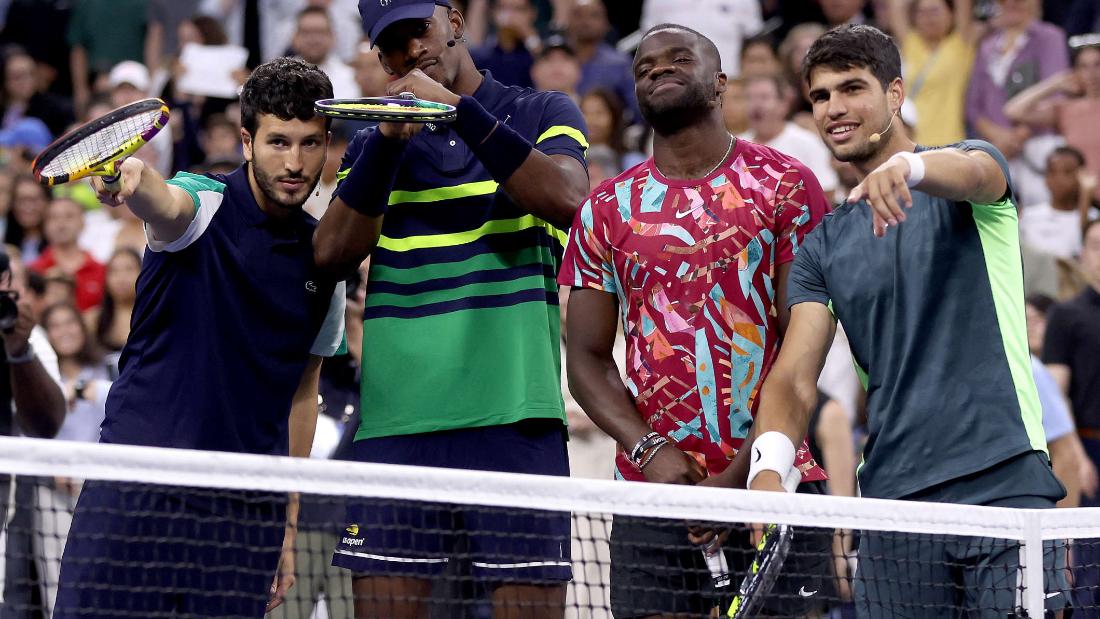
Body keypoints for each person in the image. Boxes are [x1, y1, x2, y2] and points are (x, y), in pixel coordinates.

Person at [724, 24, 1069, 617]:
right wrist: (768, 471)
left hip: (1005, 482)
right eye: (820, 96)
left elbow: (977, 173)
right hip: (892, 504)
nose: (834, 108)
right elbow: (794, 377)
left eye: (851, 88)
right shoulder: (821, 247)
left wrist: (909, 167)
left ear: (895, 93)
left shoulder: (972, 173)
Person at [314, 0, 589, 616]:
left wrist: (457, 111)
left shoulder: (542, 111)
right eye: (391, 45)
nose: (409, 51)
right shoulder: (371, 144)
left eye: (419, 30)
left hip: (515, 417)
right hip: (398, 425)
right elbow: (330, 255)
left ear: (456, 23)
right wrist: (387, 142)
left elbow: (571, 202)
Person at [53, 56, 347, 618]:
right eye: (278, 142)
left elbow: (302, 393)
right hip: (138, 493)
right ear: (246, 141)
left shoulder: (325, 258)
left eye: (309, 144)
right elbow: (164, 202)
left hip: (243, 519)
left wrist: (287, 524)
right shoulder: (203, 203)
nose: (294, 162)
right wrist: (130, 180)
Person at [560, 23, 832, 619]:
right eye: (643, 67)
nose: (657, 69)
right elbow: (584, 356)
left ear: (720, 83)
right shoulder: (605, 209)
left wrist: (741, 474)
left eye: (678, 59)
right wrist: (648, 448)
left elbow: (802, 341)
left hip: (776, 476)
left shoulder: (787, 183)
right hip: (656, 492)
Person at [1042, 218, 1100, 613]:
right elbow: (1055, 391)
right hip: (1089, 445)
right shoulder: (1066, 314)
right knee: (1088, 559)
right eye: (1096, 245)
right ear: (1082, 255)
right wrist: (1076, 455)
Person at [965, 0, 1069, 208]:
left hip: (1036, 146)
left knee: (1038, 212)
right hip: (993, 148)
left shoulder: (1049, 37)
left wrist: (1016, 137)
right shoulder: (987, 44)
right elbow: (972, 106)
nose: (1011, 3)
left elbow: (1056, 99)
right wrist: (998, 139)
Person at [1004, 36, 1100, 196]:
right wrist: (1055, 83)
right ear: (1076, 72)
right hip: (1081, 202)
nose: (1092, 73)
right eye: (1083, 67)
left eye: (1098, 65)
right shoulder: (1066, 109)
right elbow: (1013, 110)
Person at [887, 0, 978, 146]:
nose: (928, 18)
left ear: (951, 14)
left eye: (935, 11)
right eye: (921, 12)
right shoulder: (911, 44)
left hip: (951, 141)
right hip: (912, 142)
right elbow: (896, 6)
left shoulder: (960, 43)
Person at [739, 73, 840, 195]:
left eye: (764, 97)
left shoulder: (807, 142)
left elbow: (827, 190)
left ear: (783, 104)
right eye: (750, 98)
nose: (756, 105)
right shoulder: (736, 146)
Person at [1019, 146, 1099, 259]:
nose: (1059, 179)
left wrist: (1085, 196)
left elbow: (1080, 248)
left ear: (1082, 176)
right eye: (1052, 172)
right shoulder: (1029, 216)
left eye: (1067, 172)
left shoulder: (1093, 216)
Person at [29, 197, 107, 312]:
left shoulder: (101, 270)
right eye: (53, 218)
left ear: (83, 222)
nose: (61, 223)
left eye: (69, 216)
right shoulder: (34, 271)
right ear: (44, 225)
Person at [291, 5, 361, 99]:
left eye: (320, 32)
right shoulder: (281, 78)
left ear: (332, 37)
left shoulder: (350, 77)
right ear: (295, 38)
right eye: (306, 32)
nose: (313, 39)